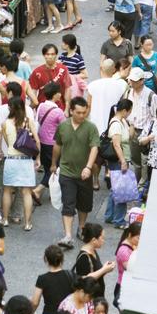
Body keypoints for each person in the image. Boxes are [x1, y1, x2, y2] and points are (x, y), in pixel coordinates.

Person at [52, 97, 99, 246]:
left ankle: (81, 226)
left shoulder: (91, 128)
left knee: (84, 205)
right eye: (78, 112)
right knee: (68, 203)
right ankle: (68, 235)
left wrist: (88, 167)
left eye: (84, 112)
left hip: (84, 173)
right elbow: (57, 145)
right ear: (71, 111)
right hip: (66, 172)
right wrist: (54, 163)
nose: (81, 115)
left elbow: (94, 148)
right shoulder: (63, 126)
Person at [0, 97, 40, 233]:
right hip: (26, 160)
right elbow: (37, 142)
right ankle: (28, 223)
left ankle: (4, 219)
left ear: (10, 108)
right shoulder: (28, 122)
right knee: (26, 192)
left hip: (11, 160)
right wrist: (38, 158)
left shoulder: (5, 123)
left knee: (7, 191)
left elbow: (7, 141)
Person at [30, 244, 74, 314]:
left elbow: (34, 302)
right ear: (62, 259)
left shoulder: (42, 279)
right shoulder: (70, 275)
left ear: (46, 259)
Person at [102, 100, 133, 231]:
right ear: (125, 110)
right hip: (119, 161)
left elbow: (128, 138)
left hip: (121, 160)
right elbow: (116, 144)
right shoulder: (116, 124)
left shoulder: (123, 121)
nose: (130, 113)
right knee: (122, 191)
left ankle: (109, 215)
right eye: (130, 110)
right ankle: (119, 220)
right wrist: (123, 161)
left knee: (115, 189)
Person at [85, 58, 127, 149]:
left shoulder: (92, 85)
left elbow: (88, 106)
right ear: (114, 70)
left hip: (95, 125)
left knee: (95, 152)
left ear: (101, 69)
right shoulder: (121, 85)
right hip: (113, 125)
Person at [34, 83, 65, 193]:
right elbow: (65, 129)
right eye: (59, 92)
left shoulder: (41, 106)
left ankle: (47, 193)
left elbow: (37, 122)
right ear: (55, 94)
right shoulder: (58, 112)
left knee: (48, 168)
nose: (61, 94)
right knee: (54, 169)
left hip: (42, 143)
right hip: (53, 145)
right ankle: (37, 190)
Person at [28, 42, 72, 109]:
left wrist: (67, 108)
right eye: (47, 54)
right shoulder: (37, 72)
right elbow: (33, 92)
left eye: (52, 54)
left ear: (56, 55)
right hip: (43, 108)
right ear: (44, 55)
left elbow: (67, 89)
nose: (50, 57)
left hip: (60, 108)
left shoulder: (63, 69)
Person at [58, 33, 88, 101]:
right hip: (63, 86)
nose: (61, 44)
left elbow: (85, 75)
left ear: (67, 45)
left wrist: (72, 77)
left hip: (74, 89)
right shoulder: (62, 56)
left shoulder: (78, 58)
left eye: (62, 42)